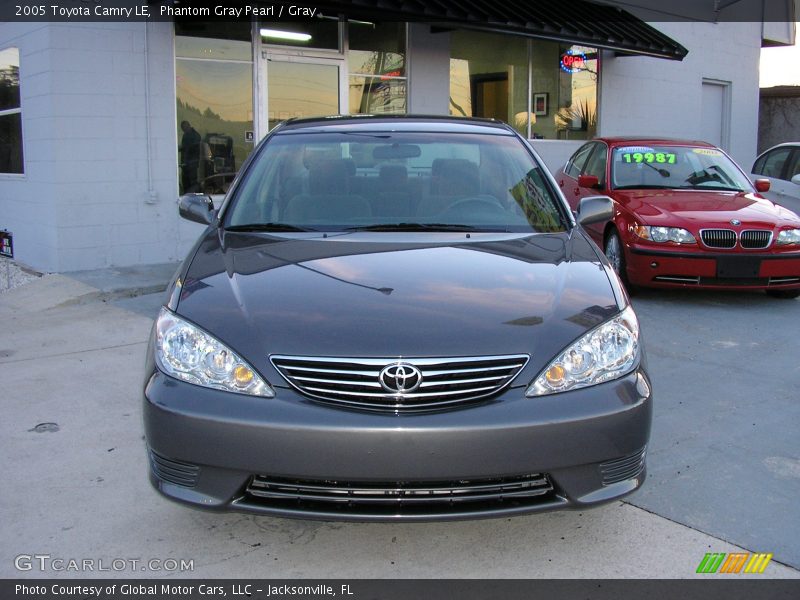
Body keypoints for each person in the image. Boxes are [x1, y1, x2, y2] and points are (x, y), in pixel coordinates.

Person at [179, 120, 201, 193]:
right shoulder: (188, 135)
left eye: (184, 128)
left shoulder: (194, 135)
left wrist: (183, 148)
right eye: (183, 129)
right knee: (187, 183)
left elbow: (191, 148)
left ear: (188, 126)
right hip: (187, 165)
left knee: (191, 183)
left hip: (191, 165)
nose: (184, 130)